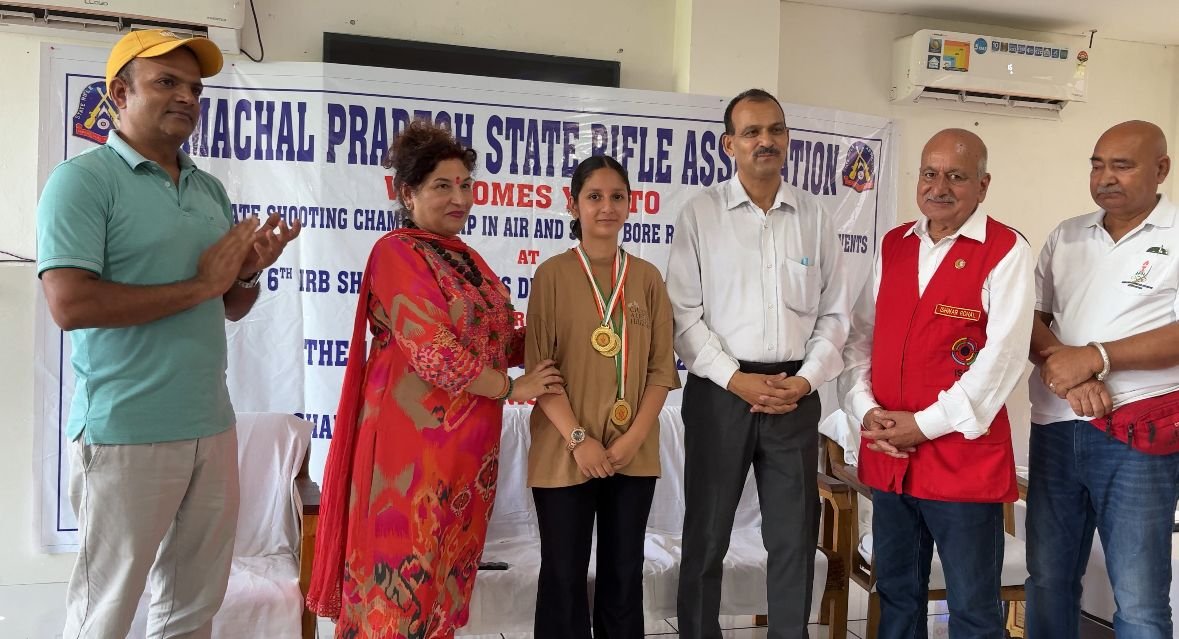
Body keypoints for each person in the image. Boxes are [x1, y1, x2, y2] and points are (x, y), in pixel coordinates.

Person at [36, 29, 301, 638]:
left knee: (193, 609)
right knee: (105, 612)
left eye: (195, 88)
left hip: (211, 425)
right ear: (119, 94)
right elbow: (70, 304)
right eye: (167, 82)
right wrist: (204, 284)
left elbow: (230, 306)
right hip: (126, 431)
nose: (187, 96)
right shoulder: (82, 181)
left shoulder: (208, 190)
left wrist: (248, 270)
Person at [305, 120, 564, 638]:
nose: (459, 198)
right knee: (399, 590)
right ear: (408, 193)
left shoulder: (467, 259)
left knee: (444, 585)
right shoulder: (397, 252)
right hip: (409, 457)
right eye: (442, 186)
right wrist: (513, 388)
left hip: (467, 457)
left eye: (465, 185)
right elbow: (434, 351)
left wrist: (570, 333)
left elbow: (499, 340)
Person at [666, 88, 851, 639]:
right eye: (751, 132)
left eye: (774, 130)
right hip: (721, 392)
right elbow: (683, 317)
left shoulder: (814, 217)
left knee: (794, 537)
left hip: (794, 394)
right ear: (730, 145)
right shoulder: (700, 215)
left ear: (787, 139)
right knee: (707, 536)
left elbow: (835, 315)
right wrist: (736, 379)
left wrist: (805, 380)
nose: (765, 141)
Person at [838, 128, 1033, 638]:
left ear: (983, 185)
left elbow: (1003, 360)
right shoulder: (895, 245)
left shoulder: (1006, 250)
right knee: (896, 596)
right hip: (891, 456)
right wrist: (865, 410)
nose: (939, 187)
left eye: (956, 176)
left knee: (973, 607)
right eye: (930, 173)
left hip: (961, 462)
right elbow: (861, 339)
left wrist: (922, 426)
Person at [1025, 120, 1179, 639]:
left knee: (1138, 598)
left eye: (1122, 165)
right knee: (1048, 579)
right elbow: (1029, 321)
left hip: (1137, 434)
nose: (1105, 177)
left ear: (1161, 169)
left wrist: (1098, 357)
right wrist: (1071, 378)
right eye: (1097, 165)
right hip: (1055, 426)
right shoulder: (1066, 234)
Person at [525, 155, 680, 638]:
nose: (607, 207)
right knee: (563, 577)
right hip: (564, 450)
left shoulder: (647, 278)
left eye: (617, 197)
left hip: (630, 453)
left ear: (631, 205)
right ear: (573, 205)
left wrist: (633, 439)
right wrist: (578, 439)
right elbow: (541, 374)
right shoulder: (551, 275)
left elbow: (661, 371)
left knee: (623, 576)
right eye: (594, 197)